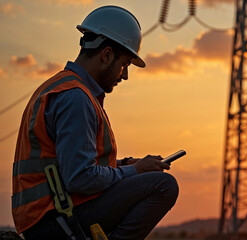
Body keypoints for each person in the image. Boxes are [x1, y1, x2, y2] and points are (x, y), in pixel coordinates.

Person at [12, 5, 179, 240]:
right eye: (125, 65)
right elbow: (80, 178)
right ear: (107, 55)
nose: (125, 75)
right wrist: (133, 171)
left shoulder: (63, 87)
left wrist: (128, 164)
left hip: (48, 215)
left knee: (148, 178)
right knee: (164, 186)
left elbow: (72, 166)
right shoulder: (76, 98)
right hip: (56, 219)